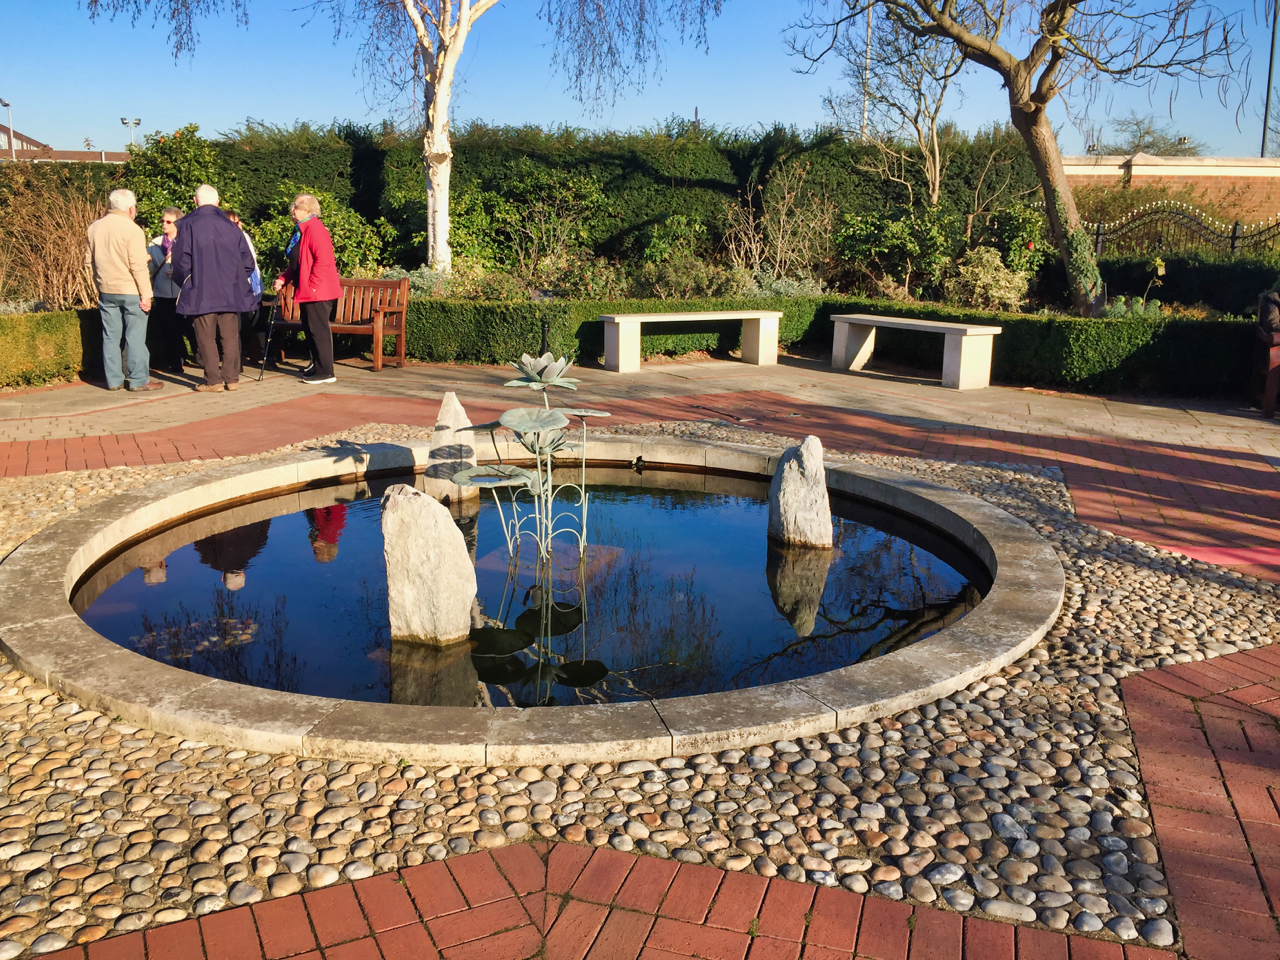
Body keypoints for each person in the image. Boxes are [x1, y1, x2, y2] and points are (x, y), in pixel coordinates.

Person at [170, 184, 258, 393]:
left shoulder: (187, 225)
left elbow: (180, 260)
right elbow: (248, 262)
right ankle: (232, 379)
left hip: (201, 288)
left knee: (206, 336)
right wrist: (236, 279)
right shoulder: (231, 226)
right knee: (230, 335)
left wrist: (188, 281)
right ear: (218, 201)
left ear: (195, 200)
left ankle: (213, 381)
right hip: (230, 289)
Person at [85, 188, 161, 392]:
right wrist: (147, 294)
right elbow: (138, 266)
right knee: (135, 336)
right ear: (130, 208)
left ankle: (113, 380)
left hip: (107, 290)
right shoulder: (132, 229)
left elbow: (88, 262)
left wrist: (99, 285)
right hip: (131, 290)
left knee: (110, 336)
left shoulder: (95, 227)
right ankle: (138, 380)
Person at [273, 193, 342, 384]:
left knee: (318, 329)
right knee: (310, 328)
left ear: (307, 209)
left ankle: (326, 372)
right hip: (308, 289)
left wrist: (313, 285)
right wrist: (283, 279)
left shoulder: (315, 229)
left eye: (295, 206)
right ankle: (317, 366)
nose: (292, 209)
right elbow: (298, 262)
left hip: (317, 291)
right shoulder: (301, 230)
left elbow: (324, 260)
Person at [147, 206, 189, 374]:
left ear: (177, 223)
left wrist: (179, 272)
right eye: (162, 221)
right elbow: (150, 269)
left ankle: (195, 357)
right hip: (162, 292)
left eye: (168, 221)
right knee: (168, 329)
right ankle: (174, 363)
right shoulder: (154, 244)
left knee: (186, 327)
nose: (164, 224)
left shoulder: (187, 242)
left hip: (182, 292)